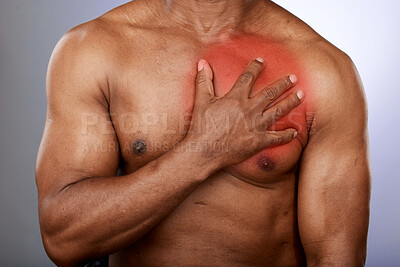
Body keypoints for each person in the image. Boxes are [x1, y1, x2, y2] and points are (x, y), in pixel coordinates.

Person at [35, 0, 371, 266]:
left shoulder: (324, 69)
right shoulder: (94, 50)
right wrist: (204, 150)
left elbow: (335, 257)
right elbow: (63, 240)